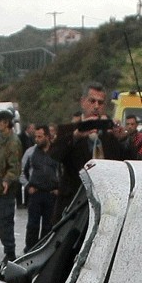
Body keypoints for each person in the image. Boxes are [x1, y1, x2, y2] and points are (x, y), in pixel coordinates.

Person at [49, 82, 110, 219]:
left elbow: (136, 154)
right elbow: (54, 155)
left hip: (103, 206)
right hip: (73, 206)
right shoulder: (67, 130)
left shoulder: (110, 132)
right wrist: (75, 137)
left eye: (100, 103)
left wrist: (125, 138)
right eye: (92, 101)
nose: (96, 106)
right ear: (83, 102)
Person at [0, 111, 23, 260]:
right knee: (1, 221)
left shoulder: (12, 142)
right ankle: (8, 251)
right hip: (0, 190)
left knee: (5, 220)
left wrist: (7, 181)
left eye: (0, 122)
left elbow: (14, 167)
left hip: (7, 190)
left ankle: (10, 253)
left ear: (6, 123)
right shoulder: (4, 141)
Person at [21, 125, 60, 249]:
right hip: (36, 194)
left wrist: (59, 188)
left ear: (47, 137)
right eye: (36, 137)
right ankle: (30, 249)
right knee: (33, 225)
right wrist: (28, 186)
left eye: (40, 137)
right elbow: (22, 172)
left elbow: (62, 171)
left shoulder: (56, 152)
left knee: (49, 225)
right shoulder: (31, 153)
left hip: (51, 194)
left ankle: (45, 248)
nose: (37, 139)